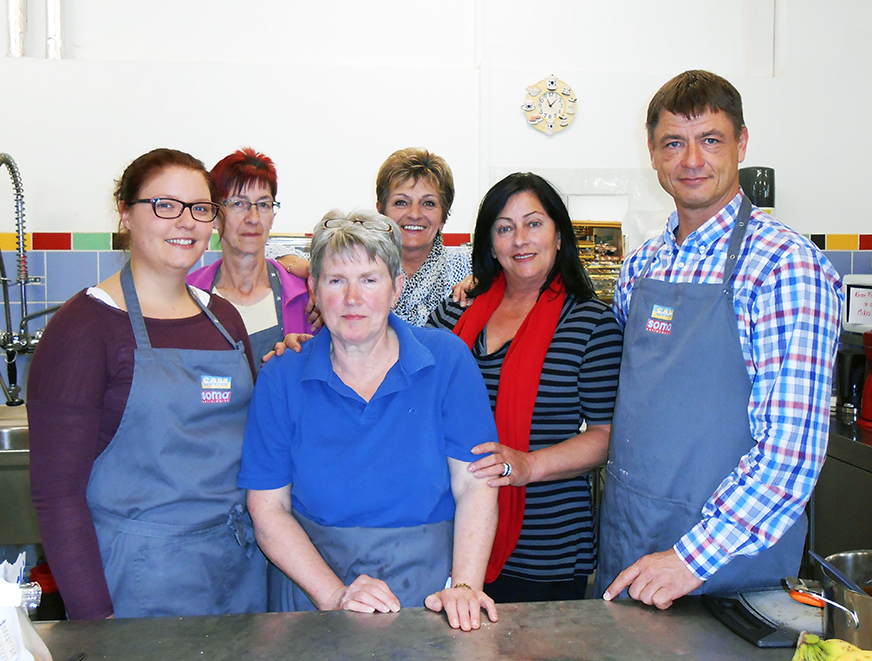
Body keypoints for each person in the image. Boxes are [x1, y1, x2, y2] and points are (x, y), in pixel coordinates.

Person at [595, 70, 844, 609]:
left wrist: (690, 558)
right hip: (629, 536)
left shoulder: (784, 267)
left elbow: (790, 453)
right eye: (673, 143)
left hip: (726, 568)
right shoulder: (640, 268)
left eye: (710, 140)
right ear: (653, 154)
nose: (691, 160)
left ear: (742, 143)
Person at [28, 148, 266, 619]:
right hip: (138, 585)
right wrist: (99, 627)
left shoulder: (223, 319)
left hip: (237, 573)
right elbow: (57, 496)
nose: (186, 222)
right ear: (125, 214)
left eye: (200, 208)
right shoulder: (83, 328)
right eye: (164, 205)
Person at [240, 210, 500, 631]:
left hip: (429, 595)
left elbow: (475, 483)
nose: (353, 298)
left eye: (370, 280)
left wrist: (466, 586)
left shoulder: (447, 361)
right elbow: (268, 507)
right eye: (336, 280)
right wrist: (334, 594)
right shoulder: (281, 377)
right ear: (314, 289)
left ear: (397, 288)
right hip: (312, 595)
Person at [429, 172, 623, 603]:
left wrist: (528, 466)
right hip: (450, 536)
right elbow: (396, 373)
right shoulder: (453, 316)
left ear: (558, 235)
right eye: (504, 227)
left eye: (533, 223)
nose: (520, 239)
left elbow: (605, 437)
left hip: (544, 547)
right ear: (490, 244)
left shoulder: (591, 325)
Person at [268, 147, 471, 326]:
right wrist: (309, 269)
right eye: (401, 202)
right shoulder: (357, 259)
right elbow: (265, 250)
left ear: (444, 215)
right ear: (381, 211)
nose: (415, 214)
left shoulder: (467, 267)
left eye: (428, 203)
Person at [187, 148, 313, 367]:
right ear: (214, 214)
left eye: (263, 204)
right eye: (238, 204)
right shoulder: (188, 295)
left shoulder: (306, 298)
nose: (253, 218)